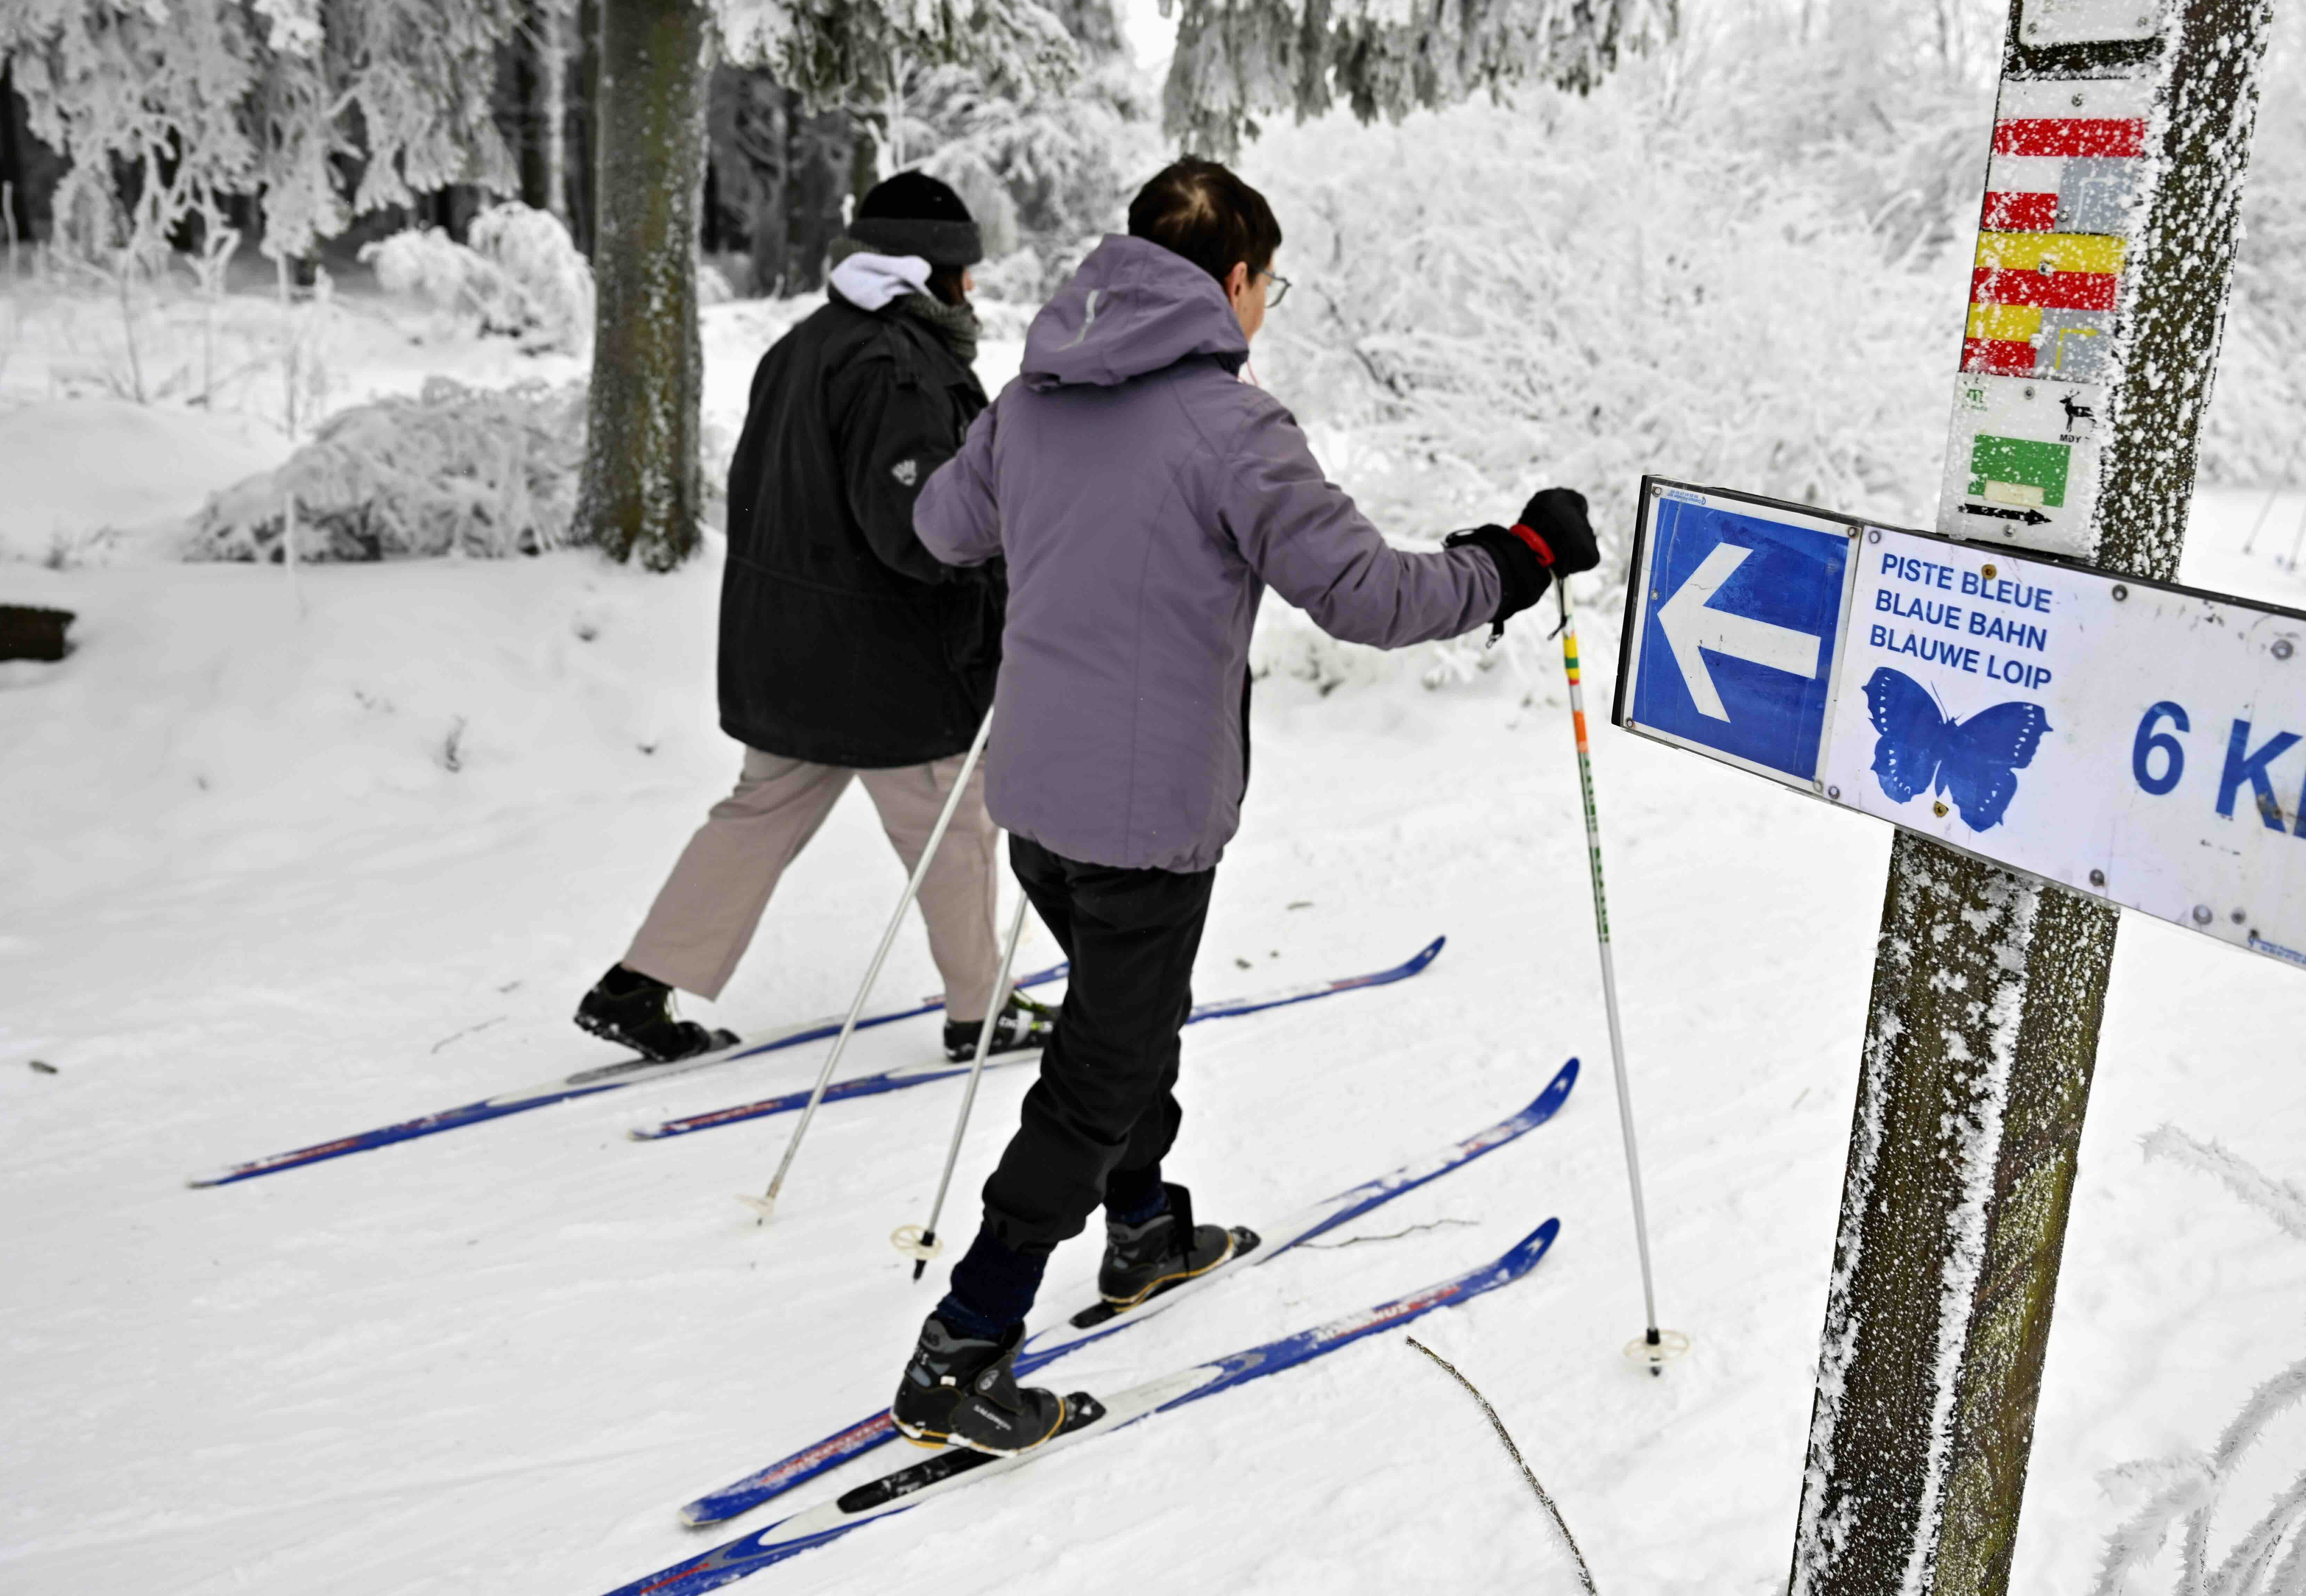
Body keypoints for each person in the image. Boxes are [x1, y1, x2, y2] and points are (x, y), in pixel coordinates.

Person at [885, 158, 1597, 1455]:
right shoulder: (1230, 426)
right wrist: (1518, 559)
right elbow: (1370, 596)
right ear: (1232, 280)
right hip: (1147, 820)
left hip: (1034, 797)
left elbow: (939, 527)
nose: (1266, 304)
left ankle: (1143, 1228)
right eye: (1269, 282)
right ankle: (964, 1342)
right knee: (1103, 1064)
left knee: (1124, 1017)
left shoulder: (1032, 401)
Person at [574, 173, 1047, 1066]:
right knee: (954, 824)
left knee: (760, 813)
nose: (973, 288)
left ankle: (636, 987)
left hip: (789, 651)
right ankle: (980, 1013)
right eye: (964, 271)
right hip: (890, 667)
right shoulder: (898, 368)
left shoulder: (805, 345)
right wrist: (1008, 556)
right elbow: (920, 530)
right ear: (928, 271)